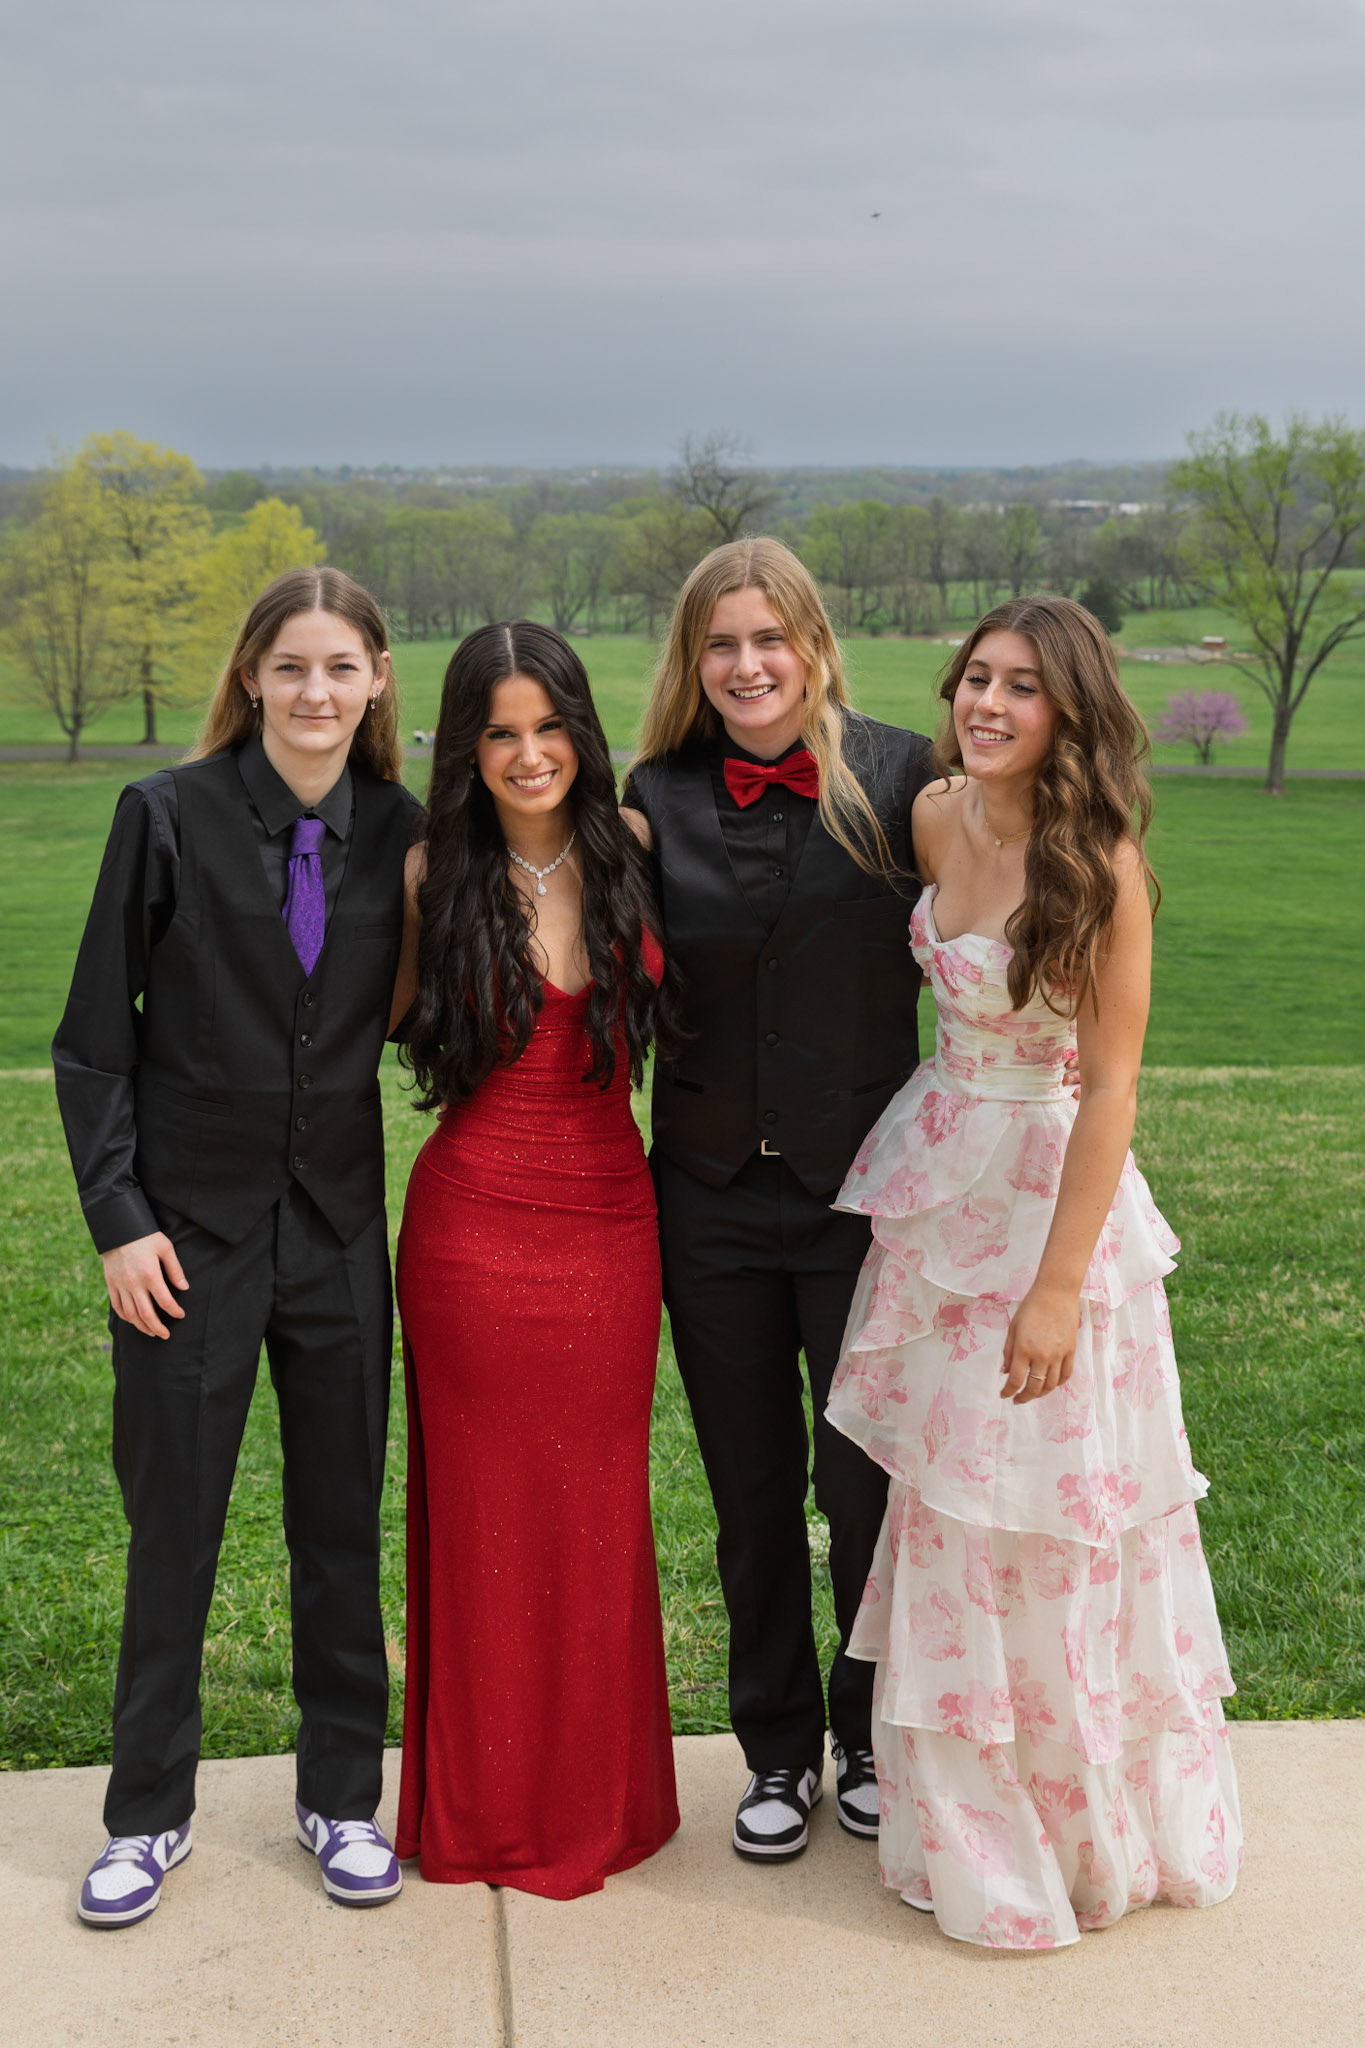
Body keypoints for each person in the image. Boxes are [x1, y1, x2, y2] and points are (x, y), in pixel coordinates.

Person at [825, 595, 1242, 1949]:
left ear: (1071, 710)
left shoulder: (1101, 862)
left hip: (1052, 1203)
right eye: (975, 679)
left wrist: (1057, 1289)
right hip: (936, 1191)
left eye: (1020, 687)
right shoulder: (936, 815)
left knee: (1054, 1512)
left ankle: (1075, 1823)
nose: (987, 704)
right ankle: (965, 1819)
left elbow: (1112, 1086)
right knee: (951, 1506)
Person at [52, 568, 420, 1927]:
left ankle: (342, 1797)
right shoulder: (164, 815)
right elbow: (94, 1044)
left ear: (376, 681)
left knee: (340, 1527)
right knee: (176, 1530)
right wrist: (119, 1222)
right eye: (291, 666)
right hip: (185, 1241)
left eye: (340, 666)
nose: (316, 690)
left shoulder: (408, 833)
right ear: (252, 677)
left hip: (338, 1236)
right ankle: (146, 1813)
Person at [620, 538, 936, 1862]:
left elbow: (1012, 890)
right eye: (722, 644)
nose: (747, 665)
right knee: (747, 1491)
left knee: (862, 1488)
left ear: (812, 642)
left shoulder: (906, 776)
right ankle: (776, 1750)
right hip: (706, 1200)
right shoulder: (653, 793)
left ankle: (869, 1737)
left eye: (769, 638)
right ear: (693, 660)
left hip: (863, 1200)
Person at [392, 621, 680, 1900]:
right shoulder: (426, 873)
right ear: (465, 747)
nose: (527, 753)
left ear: (581, 729)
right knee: (485, 1516)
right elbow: (342, 1023)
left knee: (598, 1506)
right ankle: (489, 1805)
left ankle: (596, 1799)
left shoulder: (637, 848)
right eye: (500, 732)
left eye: (548, 725)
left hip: (613, 1224)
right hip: (471, 1234)